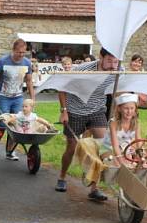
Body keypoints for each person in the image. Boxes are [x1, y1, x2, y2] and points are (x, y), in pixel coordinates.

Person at [56, 48, 120, 200]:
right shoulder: (83, 70)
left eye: (116, 61)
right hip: (75, 111)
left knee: (101, 145)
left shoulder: (118, 70)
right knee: (71, 147)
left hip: (97, 110)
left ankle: (94, 188)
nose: (113, 65)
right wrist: (64, 111)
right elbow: (62, 88)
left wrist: (115, 114)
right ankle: (62, 177)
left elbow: (117, 91)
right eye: (110, 61)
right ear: (100, 58)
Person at [0, 38, 34, 160]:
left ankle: (10, 151)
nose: (21, 55)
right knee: (3, 122)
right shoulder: (3, 61)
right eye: (19, 52)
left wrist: (32, 98)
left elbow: (29, 81)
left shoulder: (27, 63)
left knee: (15, 124)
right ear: (13, 50)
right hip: (3, 96)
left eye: (24, 52)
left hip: (18, 97)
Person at [103, 93, 142, 165]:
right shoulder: (113, 123)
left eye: (132, 108)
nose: (129, 111)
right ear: (119, 109)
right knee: (117, 164)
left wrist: (141, 157)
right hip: (110, 150)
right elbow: (115, 146)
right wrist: (122, 163)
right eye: (126, 108)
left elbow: (138, 142)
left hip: (126, 150)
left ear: (135, 109)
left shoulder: (136, 123)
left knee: (135, 163)